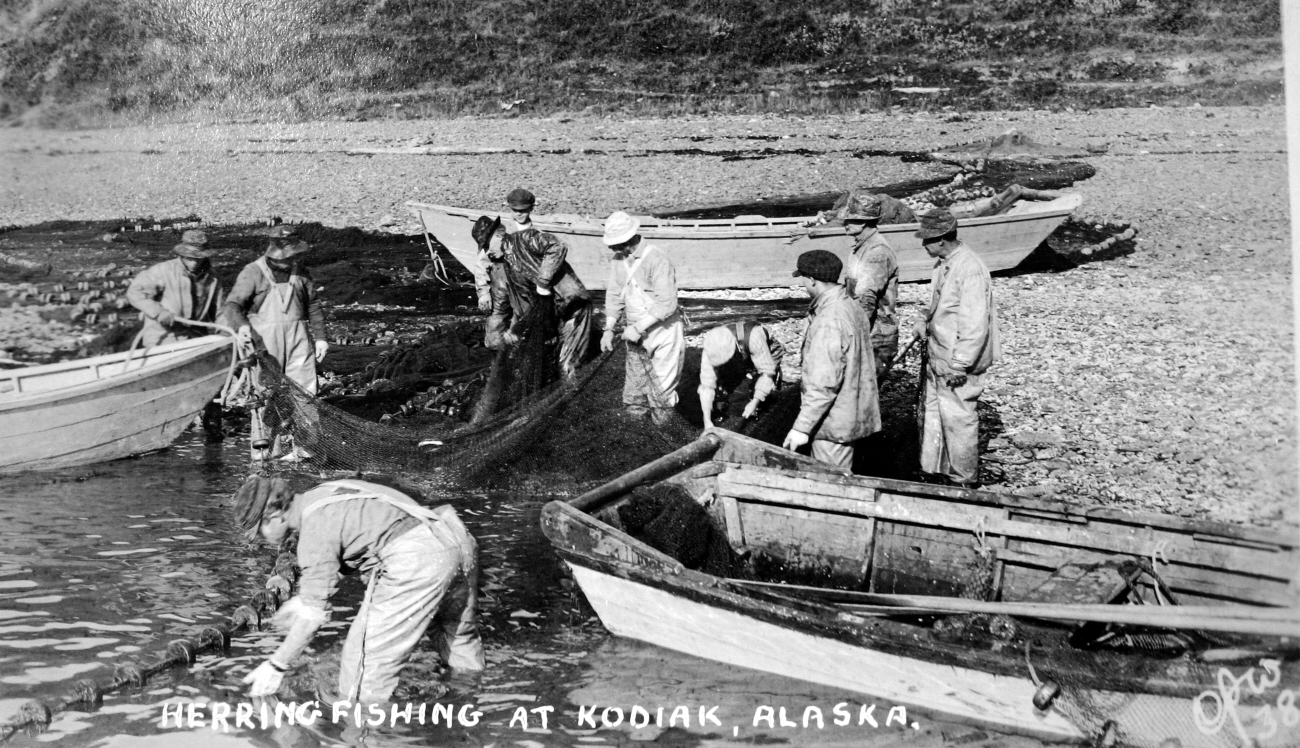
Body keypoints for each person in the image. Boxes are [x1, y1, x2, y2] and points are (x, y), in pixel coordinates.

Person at [236, 476, 485, 705]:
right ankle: (468, 712)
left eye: (259, 532)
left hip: (417, 559)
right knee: (457, 638)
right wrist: (304, 600)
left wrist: (276, 665)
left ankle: (366, 735)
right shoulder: (324, 493)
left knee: (361, 673)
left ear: (274, 515)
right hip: (453, 537)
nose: (262, 540)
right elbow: (353, 540)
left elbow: (314, 617)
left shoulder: (313, 530)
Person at [913, 208, 1000, 489]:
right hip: (939, 353)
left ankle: (963, 479)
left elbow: (975, 325)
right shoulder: (943, 262)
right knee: (936, 415)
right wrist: (922, 319)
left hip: (958, 360)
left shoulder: (970, 269)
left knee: (959, 418)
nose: (923, 244)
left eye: (926, 240)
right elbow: (939, 303)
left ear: (940, 239)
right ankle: (935, 470)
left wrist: (959, 364)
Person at [782, 250, 880, 470]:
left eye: (804, 280)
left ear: (812, 280)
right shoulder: (850, 304)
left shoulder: (828, 319)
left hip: (835, 424)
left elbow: (823, 382)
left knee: (831, 484)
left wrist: (802, 428)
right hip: (854, 412)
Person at [482, 188, 594, 378]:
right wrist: (514, 330)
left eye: (488, 247)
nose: (489, 253)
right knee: (553, 356)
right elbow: (524, 304)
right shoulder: (508, 261)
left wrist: (543, 282)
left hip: (573, 305)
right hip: (556, 307)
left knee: (567, 363)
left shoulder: (528, 238)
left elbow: (557, 246)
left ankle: (569, 396)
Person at [599, 211, 685, 426]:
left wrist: (638, 327)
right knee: (635, 391)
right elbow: (614, 294)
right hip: (634, 333)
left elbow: (667, 304)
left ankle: (661, 434)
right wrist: (609, 328)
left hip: (663, 331)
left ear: (629, 239)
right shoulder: (618, 260)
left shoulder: (657, 259)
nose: (612, 249)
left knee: (662, 392)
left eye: (616, 244)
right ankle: (637, 435)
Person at [222, 225, 329, 395]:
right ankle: (269, 421)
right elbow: (233, 305)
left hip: (298, 339)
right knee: (267, 388)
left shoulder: (301, 273)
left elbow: (313, 304)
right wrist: (241, 326)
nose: (293, 260)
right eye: (289, 256)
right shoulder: (253, 272)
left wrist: (321, 338)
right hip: (265, 340)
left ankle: (306, 422)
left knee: (305, 389)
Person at [127, 230, 227, 347]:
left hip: (197, 339)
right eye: (190, 258)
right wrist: (158, 312)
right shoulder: (163, 271)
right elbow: (135, 292)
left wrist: (224, 334)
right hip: (164, 339)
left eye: (198, 258)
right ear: (182, 255)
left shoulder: (212, 278)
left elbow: (220, 311)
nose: (194, 263)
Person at [841, 193, 900, 378]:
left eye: (851, 220)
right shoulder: (861, 247)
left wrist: (850, 334)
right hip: (868, 328)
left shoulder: (876, 253)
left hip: (875, 334)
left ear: (865, 222)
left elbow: (866, 298)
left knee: (865, 390)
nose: (845, 224)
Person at [697, 321, 784, 430]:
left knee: (763, 400)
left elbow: (767, 373)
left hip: (767, 354)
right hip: (742, 356)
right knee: (730, 392)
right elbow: (706, 386)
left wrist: (755, 401)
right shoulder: (711, 346)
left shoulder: (754, 336)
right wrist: (707, 421)